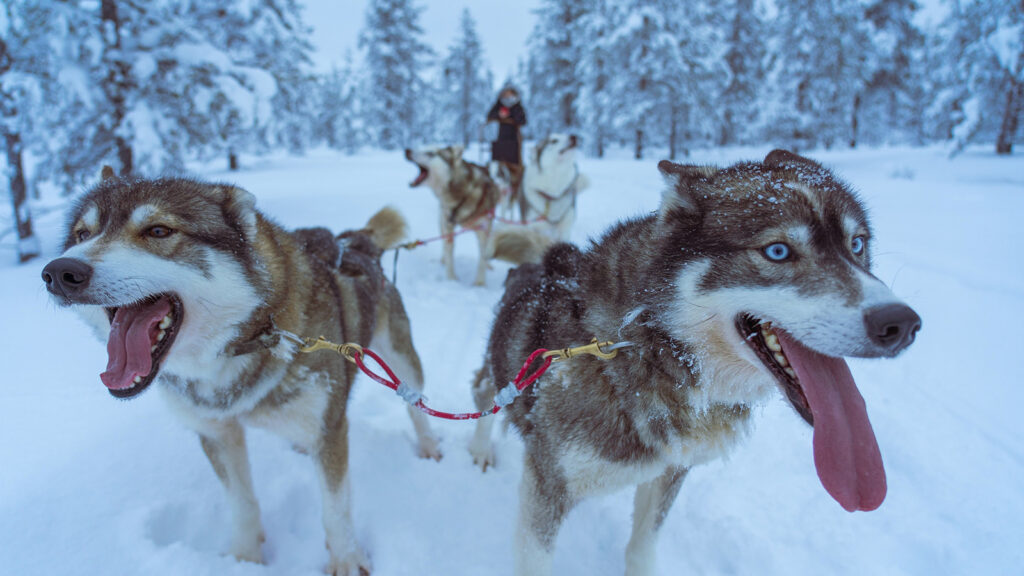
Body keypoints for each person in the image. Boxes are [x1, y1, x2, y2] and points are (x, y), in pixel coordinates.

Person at [487, 85, 527, 166]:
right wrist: (499, 115)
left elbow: (523, 120)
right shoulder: (499, 105)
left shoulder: (517, 106)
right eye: (505, 94)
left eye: (509, 94)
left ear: (513, 94)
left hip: (515, 137)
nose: (507, 96)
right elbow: (490, 115)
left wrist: (510, 115)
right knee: (499, 156)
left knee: (513, 159)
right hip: (501, 137)